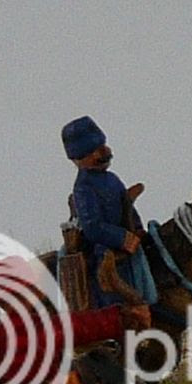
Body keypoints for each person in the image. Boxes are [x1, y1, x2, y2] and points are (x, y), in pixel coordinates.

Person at [62, 116, 145, 308]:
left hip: (129, 241)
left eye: (101, 146)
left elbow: (127, 206)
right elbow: (92, 227)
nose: (102, 152)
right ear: (78, 159)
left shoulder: (112, 179)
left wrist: (138, 229)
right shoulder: (84, 187)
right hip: (102, 247)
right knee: (108, 275)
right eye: (92, 151)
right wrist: (121, 238)